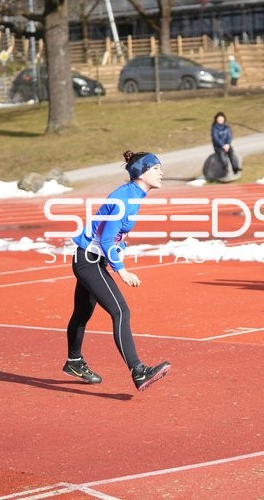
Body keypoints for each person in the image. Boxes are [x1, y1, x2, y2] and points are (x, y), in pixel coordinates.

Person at [64, 150, 171, 390]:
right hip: (88, 260)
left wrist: (120, 245)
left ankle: (73, 361)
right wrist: (122, 271)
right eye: (156, 168)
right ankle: (138, 371)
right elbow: (105, 239)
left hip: (92, 258)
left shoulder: (134, 195)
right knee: (120, 311)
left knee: (82, 314)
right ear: (142, 173)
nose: (161, 172)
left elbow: (110, 236)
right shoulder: (124, 199)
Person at [211, 111, 241, 175]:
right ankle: (225, 168)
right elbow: (216, 138)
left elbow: (229, 136)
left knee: (232, 153)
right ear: (216, 119)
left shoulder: (227, 128)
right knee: (222, 154)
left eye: (222, 118)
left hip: (227, 145)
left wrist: (227, 144)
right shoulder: (214, 128)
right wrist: (222, 145)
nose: (220, 120)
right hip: (218, 146)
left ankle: (235, 168)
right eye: (219, 119)